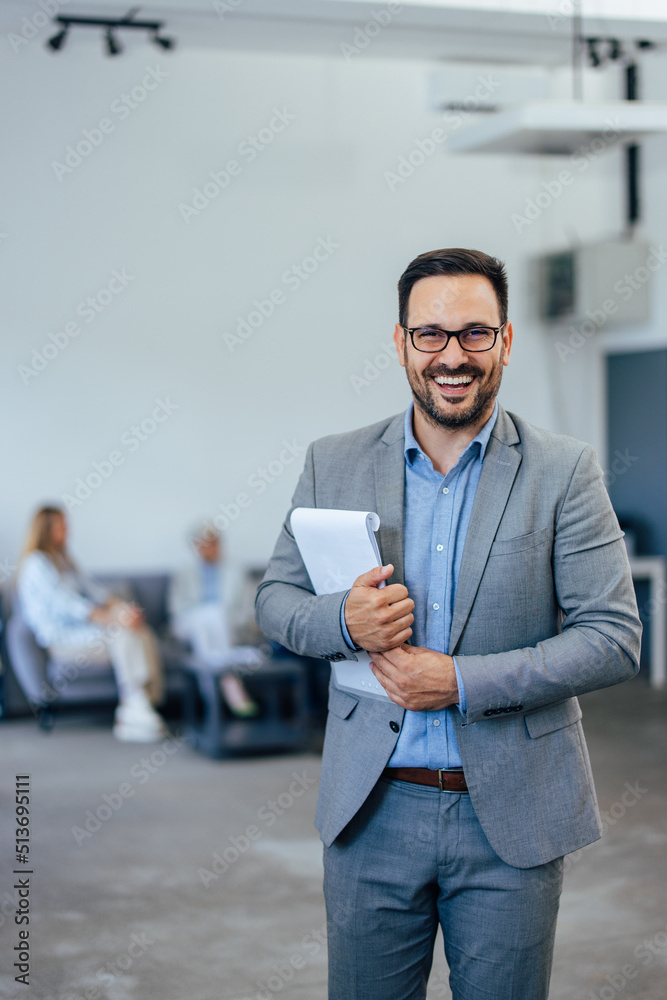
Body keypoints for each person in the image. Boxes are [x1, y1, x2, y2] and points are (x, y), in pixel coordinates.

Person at [255, 247, 642, 1000]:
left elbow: (612, 635)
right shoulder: (331, 462)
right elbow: (275, 600)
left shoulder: (563, 470)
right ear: (400, 343)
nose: (452, 356)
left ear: (504, 342)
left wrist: (460, 680)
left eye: (474, 333)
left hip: (511, 815)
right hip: (371, 810)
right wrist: (344, 619)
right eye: (430, 335)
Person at [16, 505, 167, 743]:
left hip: (86, 633)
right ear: (46, 529)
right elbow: (69, 605)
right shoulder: (36, 565)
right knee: (123, 634)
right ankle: (133, 705)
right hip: (63, 640)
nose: (68, 530)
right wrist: (114, 619)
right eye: (62, 525)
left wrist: (124, 609)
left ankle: (142, 703)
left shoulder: (64, 561)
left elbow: (96, 592)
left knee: (141, 631)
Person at [169, 524, 261, 717]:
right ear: (195, 546)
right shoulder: (184, 571)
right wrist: (205, 612)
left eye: (214, 543)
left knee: (215, 613)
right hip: (192, 623)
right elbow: (177, 609)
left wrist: (222, 616)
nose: (211, 548)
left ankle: (212, 698)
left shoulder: (236, 569)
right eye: (205, 544)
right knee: (207, 614)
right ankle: (230, 684)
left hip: (228, 624)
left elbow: (246, 608)